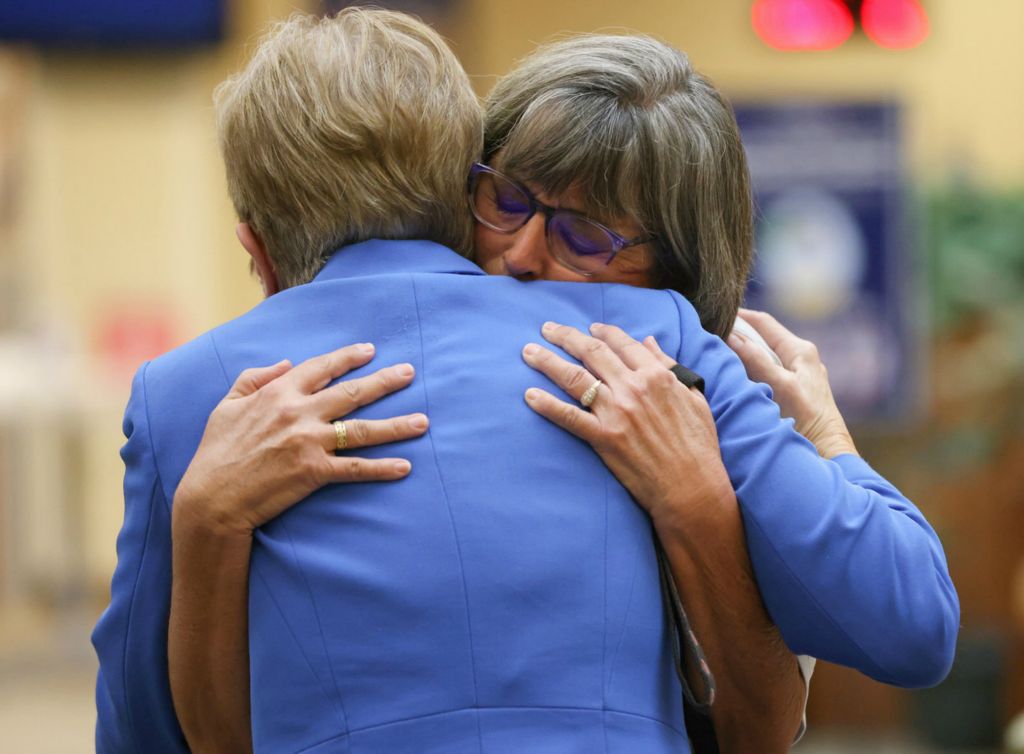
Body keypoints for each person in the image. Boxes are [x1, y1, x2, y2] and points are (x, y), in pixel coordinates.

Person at [91, 10, 958, 754]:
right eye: (504, 200)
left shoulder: (652, 361)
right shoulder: (645, 333)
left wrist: (785, 457)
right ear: (453, 187)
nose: (520, 256)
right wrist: (207, 517)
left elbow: (894, 634)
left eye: (585, 237)